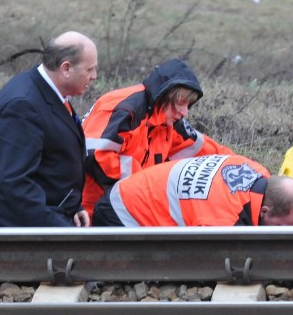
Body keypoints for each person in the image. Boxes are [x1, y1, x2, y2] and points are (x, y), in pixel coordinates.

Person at [80, 58, 233, 219]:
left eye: (188, 105)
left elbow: (206, 151)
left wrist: (244, 166)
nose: (184, 112)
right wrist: (144, 186)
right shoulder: (126, 109)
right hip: (89, 210)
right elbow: (95, 155)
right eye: (181, 103)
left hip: (127, 210)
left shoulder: (168, 122)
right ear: (165, 95)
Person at [0, 31, 97, 227]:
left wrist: (73, 207)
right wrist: (59, 228)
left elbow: (51, 159)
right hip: (19, 234)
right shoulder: (22, 106)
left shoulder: (49, 92)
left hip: (46, 219)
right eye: (90, 69)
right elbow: (17, 183)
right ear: (66, 68)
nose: (94, 76)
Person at [92, 154, 293, 227]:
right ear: (265, 211)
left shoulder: (253, 168)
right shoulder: (222, 220)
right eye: (281, 226)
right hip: (121, 215)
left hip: (131, 191)